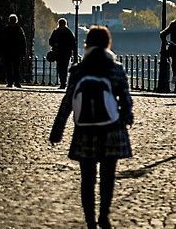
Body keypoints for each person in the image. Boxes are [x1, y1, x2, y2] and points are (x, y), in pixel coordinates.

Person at [50, 25, 134, 229]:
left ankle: (90, 221)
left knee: (87, 180)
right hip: (111, 130)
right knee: (107, 177)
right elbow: (126, 100)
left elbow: (68, 101)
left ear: (87, 44)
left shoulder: (79, 70)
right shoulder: (115, 68)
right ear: (107, 44)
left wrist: (57, 130)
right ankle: (104, 216)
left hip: (85, 131)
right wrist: (125, 118)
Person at [49, 17, 77, 88]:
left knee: (60, 68)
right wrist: (74, 53)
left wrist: (54, 44)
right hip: (66, 53)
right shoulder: (68, 32)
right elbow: (73, 43)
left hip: (59, 53)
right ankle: (63, 82)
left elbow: (50, 41)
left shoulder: (56, 31)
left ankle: (62, 82)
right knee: (63, 68)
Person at [2, 13, 27, 88]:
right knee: (16, 68)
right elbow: (23, 41)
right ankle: (16, 82)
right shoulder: (19, 29)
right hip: (16, 51)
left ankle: (10, 82)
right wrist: (23, 51)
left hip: (8, 51)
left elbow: (2, 40)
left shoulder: (6, 29)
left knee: (9, 67)